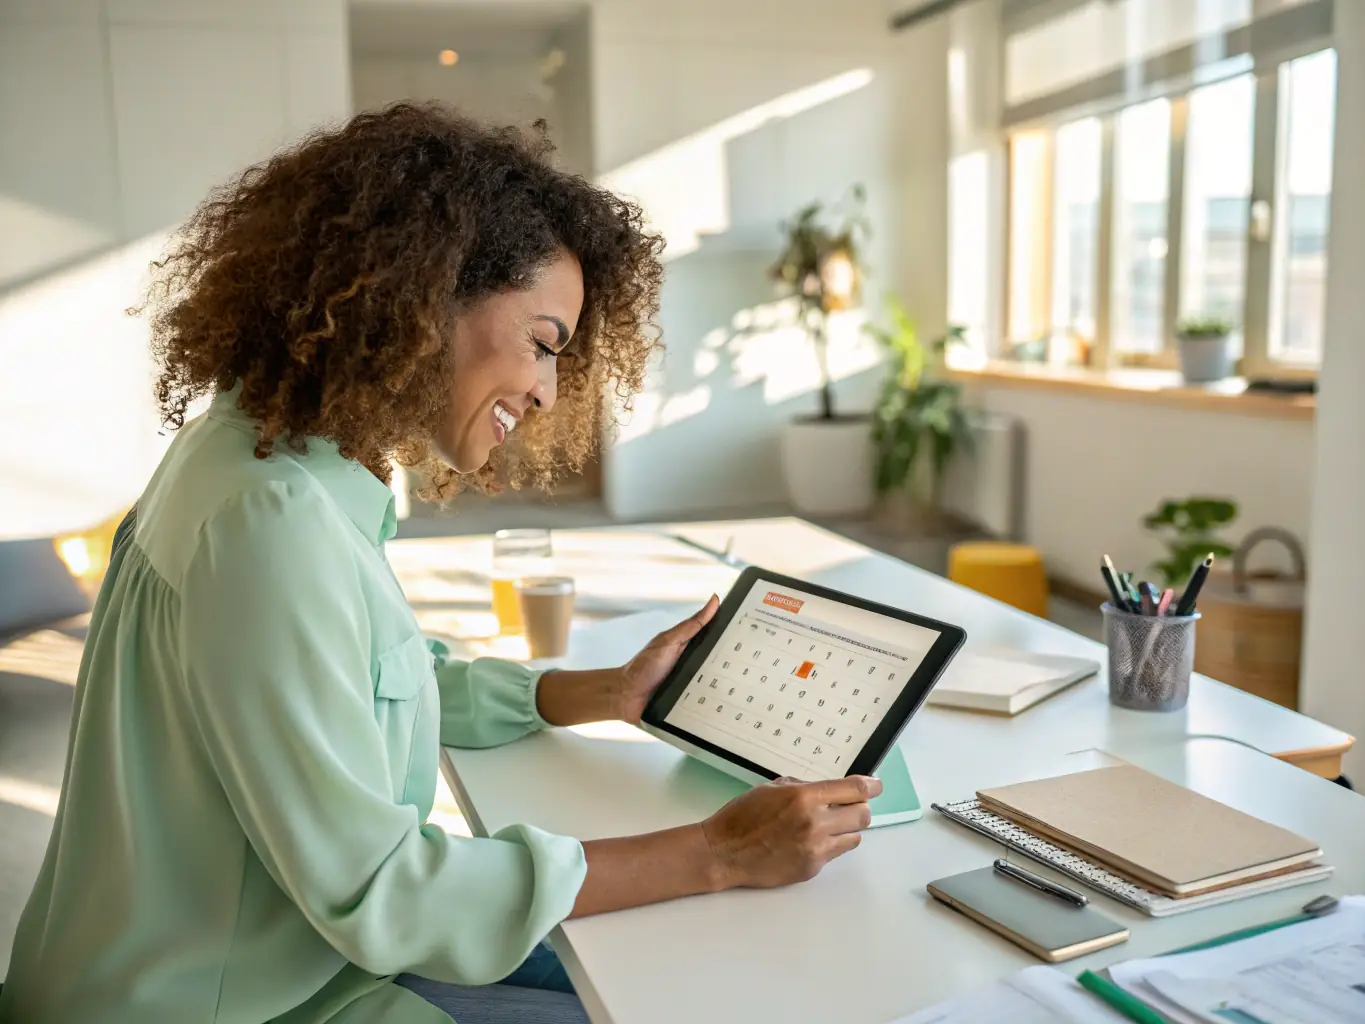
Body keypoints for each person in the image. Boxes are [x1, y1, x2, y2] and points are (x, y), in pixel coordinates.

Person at [0, 104, 879, 1024]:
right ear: (422, 297)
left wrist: (604, 691)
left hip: (270, 958)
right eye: (543, 344)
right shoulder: (270, 521)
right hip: (231, 1003)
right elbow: (385, 890)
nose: (546, 392)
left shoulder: (264, 458)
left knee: (655, 960)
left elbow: (377, 686)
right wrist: (718, 852)